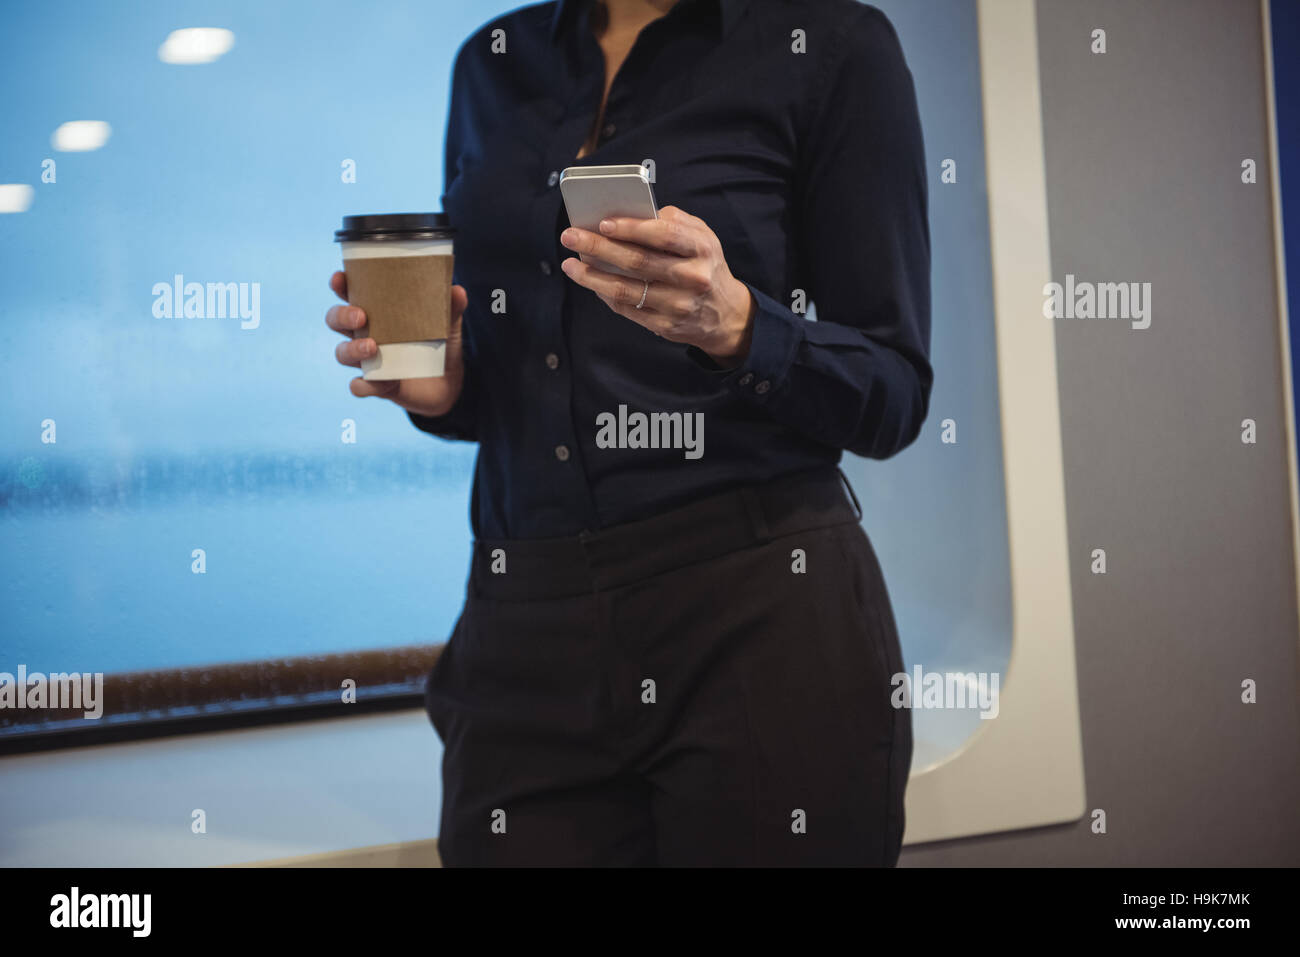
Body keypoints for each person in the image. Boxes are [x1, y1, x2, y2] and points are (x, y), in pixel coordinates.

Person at [325, 0, 930, 866]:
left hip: (759, 620)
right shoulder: (491, 61)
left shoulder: (833, 44)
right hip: (523, 619)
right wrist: (444, 389)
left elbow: (894, 392)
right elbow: (517, 381)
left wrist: (740, 326)